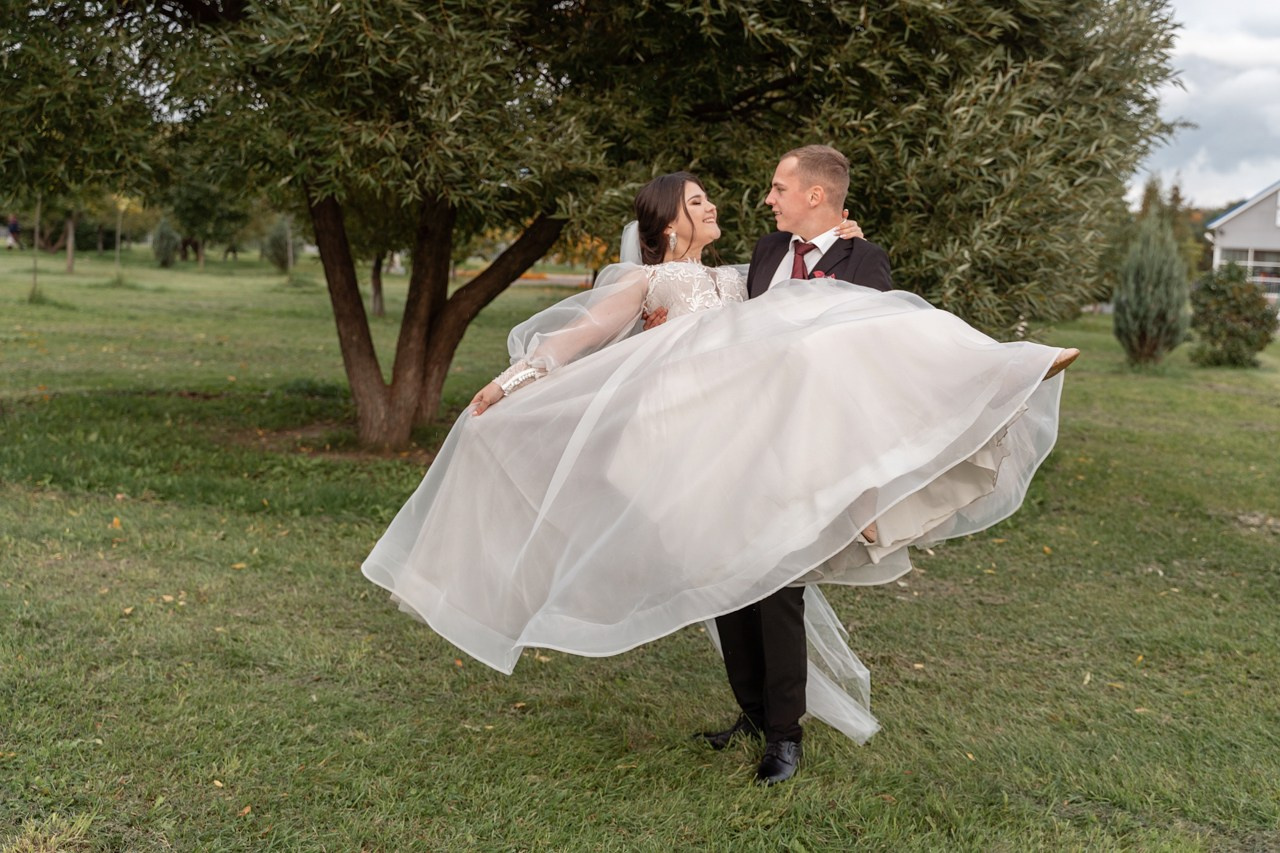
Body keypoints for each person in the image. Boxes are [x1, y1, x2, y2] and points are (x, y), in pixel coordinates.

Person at [362, 165, 1077, 786]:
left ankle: (784, 735)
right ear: (667, 220)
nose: (715, 207)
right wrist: (511, 381)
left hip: (746, 447)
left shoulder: (742, 277)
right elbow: (579, 336)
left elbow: (825, 303)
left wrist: (834, 235)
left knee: (771, 579)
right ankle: (754, 713)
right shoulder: (649, 278)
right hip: (672, 446)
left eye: (713, 199)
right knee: (724, 584)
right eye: (697, 201)